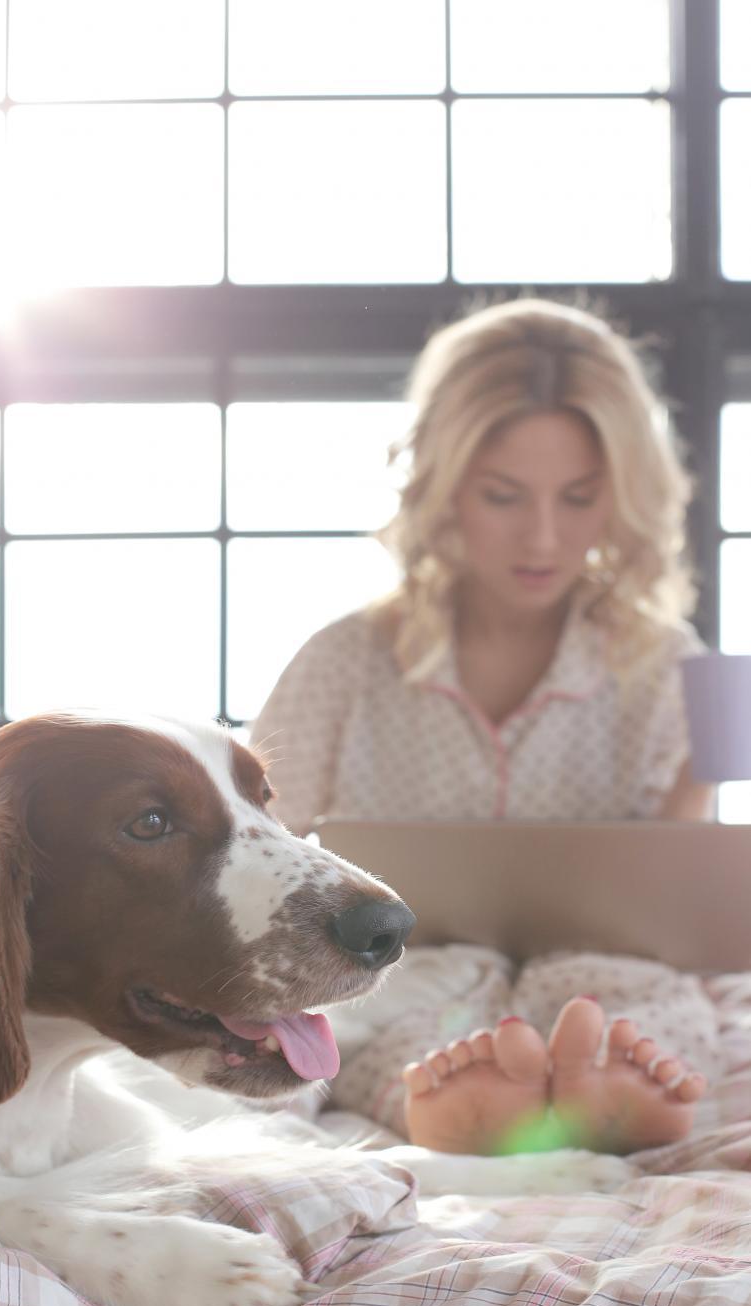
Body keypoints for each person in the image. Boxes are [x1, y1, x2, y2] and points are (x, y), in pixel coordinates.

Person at [252, 298, 713, 1157]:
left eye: (579, 498)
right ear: (446, 483)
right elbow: (255, 839)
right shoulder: (346, 660)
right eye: (503, 496)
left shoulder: (667, 665)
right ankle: (461, 1104)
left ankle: (599, 1091)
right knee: (375, 1014)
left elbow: (676, 899)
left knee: (652, 1004)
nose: (543, 537)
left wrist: (701, 779)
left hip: (606, 968)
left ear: (622, 497)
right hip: (407, 968)